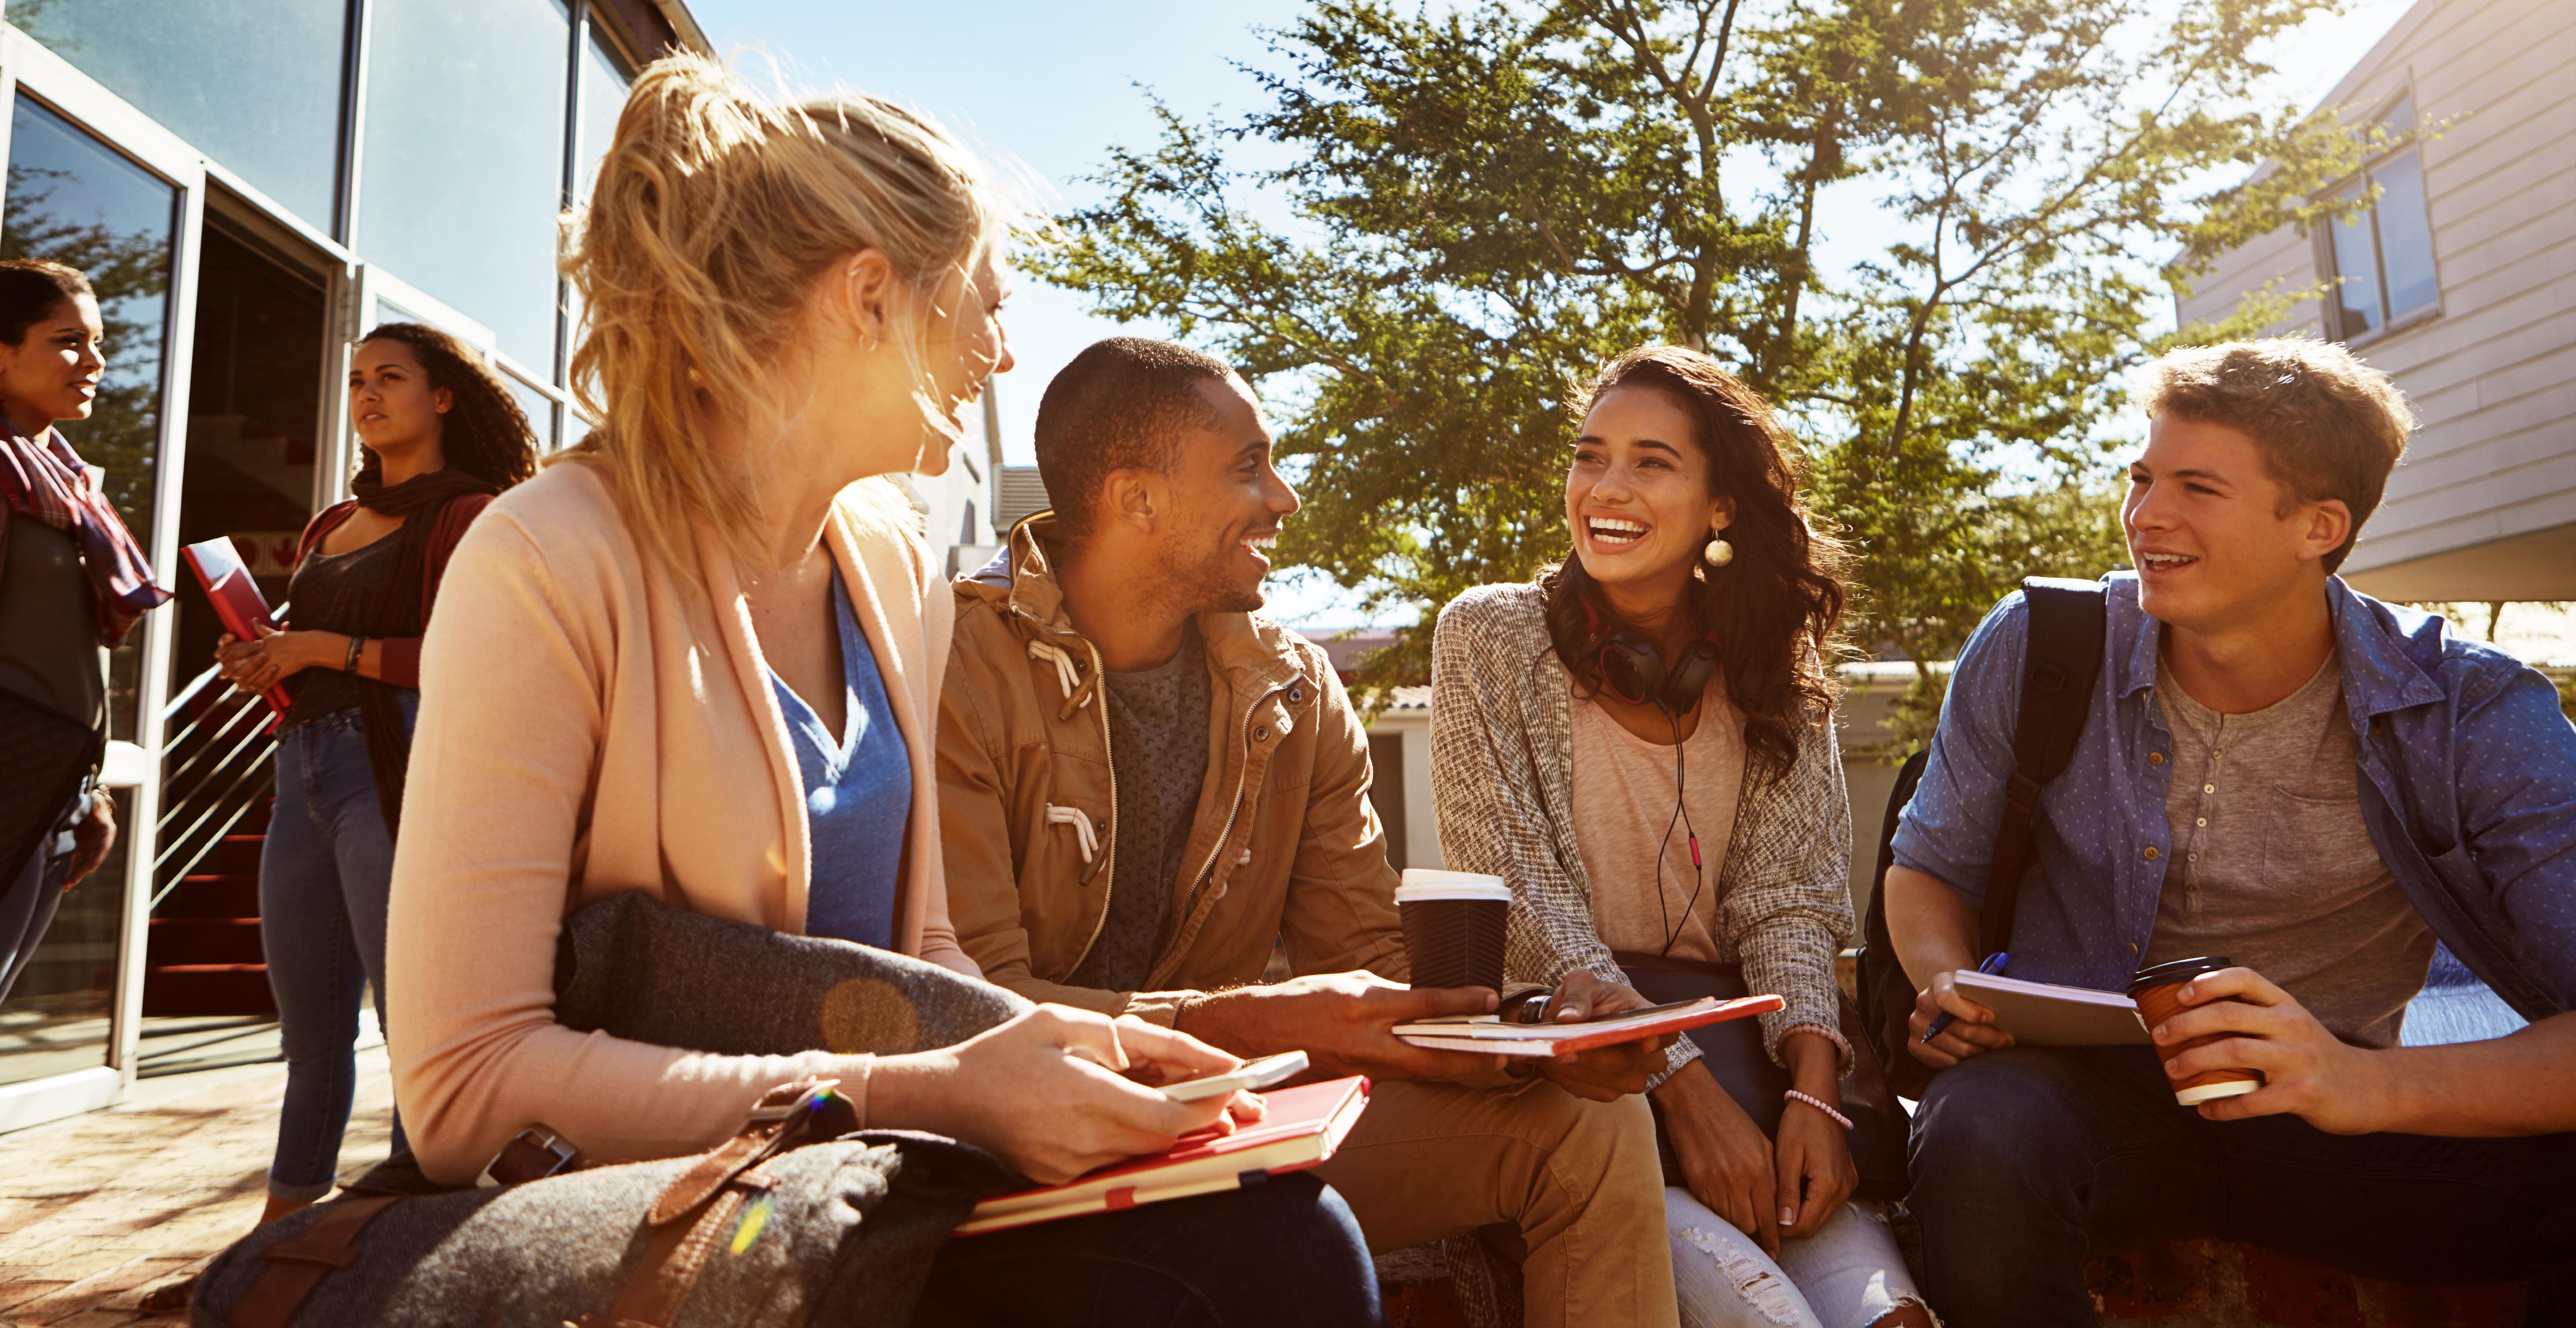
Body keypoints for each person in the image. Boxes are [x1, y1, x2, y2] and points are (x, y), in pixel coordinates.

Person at [385, 56, 1377, 1326]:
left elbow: (926, 962)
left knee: (1281, 1225)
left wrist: (1082, 1052)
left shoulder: (893, 558)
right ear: (868, 295)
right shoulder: (545, 559)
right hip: (679, 1215)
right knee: (1270, 1264)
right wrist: (942, 1091)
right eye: (983, 304)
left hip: (859, 1175)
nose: (1004, 351)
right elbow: (466, 1089)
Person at [938, 336, 1681, 1327]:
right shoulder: (955, 662)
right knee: (1288, 1248)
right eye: (1248, 466)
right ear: (1134, 498)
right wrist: (1260, 1021)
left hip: (1226, 1119)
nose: (1282, 497)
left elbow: (1366, 960)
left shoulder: (1290, 687)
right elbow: (975, 1007)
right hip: (1016, 1150)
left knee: (1585, 1122)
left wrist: (1531, 1026)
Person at [1885, 337, 2576, 1326]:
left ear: (2316, 525)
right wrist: (1947, 978)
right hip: (2083, 1097)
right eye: (2139, 477)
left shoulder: (2469, 708)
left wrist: (2362, 1083)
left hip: (2337, 1111)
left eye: (2194, 487)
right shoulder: (2038, 643)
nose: (2143, 516)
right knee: (1979, 1131)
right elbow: (1927, 866)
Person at [1431, 345, 1929, 1328]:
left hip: (1752, 1079)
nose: (1605, 487)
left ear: (1720, 505)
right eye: (1589, 455)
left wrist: (1814, 1097)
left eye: (1651, 461)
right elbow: (1521, 904)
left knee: (1893, 1321)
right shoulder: (1487, 636)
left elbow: (1788, 902)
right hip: (1587, 1099)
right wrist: (1680, 1085)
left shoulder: (1773, 663)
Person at [212, 322, 537, 1225]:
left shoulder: (471, 514)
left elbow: (472, 657)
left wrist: (322, 645)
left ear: (442, 397)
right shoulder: (328, 524)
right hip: (301, 769)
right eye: (357, 379)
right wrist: (267, 656)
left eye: (391, 377)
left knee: (413, 1021)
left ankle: (405, 1227)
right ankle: (281, 1234)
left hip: (395, 766)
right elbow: (310, 650)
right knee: (311, 1034)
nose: (368, 394)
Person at [0, 259, 168, 1005]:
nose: (95, 362)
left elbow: (73, 653)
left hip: (50, 785)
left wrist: (87, 793)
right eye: (69, 341)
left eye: (98, 342)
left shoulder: (65, 481)